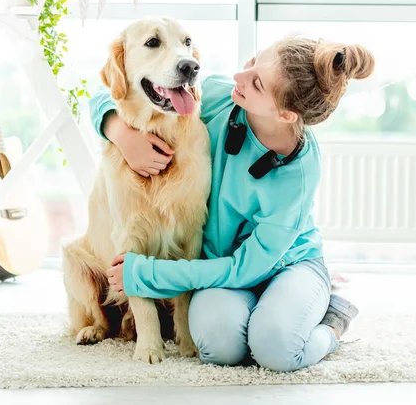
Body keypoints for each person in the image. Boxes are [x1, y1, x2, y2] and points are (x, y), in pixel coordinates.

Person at [90, 35, 374, 372]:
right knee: (217, 346)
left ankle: (332, 320)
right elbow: (106, 95)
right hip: (219, 266)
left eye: (256, 82)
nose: (240, 78)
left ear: (285, 114)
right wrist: (122, 134)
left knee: (277, 350)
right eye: (252, 62)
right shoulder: (217, 98)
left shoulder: (299, 172)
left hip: (286, 266)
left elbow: (245, 268)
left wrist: (148, 273)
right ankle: (269, 315)